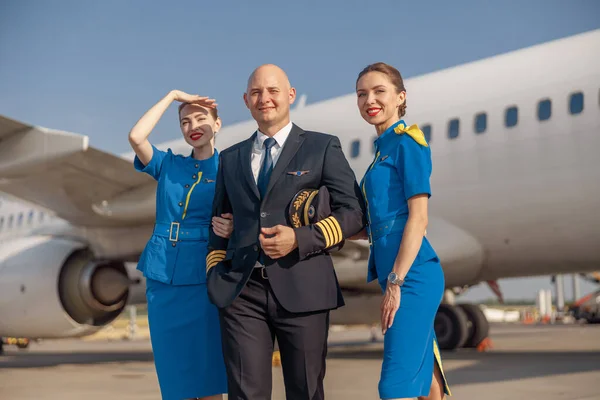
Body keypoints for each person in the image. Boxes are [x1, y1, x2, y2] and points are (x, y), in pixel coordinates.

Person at [205, 64, 365, 400]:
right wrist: (216, 275)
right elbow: (218, 223)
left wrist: (300, 239)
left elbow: (354, 213)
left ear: (290, 95)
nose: (265, 99)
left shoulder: (322, 147)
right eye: (256, 93)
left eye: (273, 90)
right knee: (246, 394)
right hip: (242, 293)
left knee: (305, 391)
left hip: (303, 286)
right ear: (246, 101)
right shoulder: (230, 159)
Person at [353, 62, 451, 400]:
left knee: (395, 386)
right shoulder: (380, 154)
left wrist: (395, 282)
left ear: (400, 97)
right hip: (399, 274)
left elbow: (418, 218)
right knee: (426, 383)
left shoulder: (408, 143)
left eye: (379, 91)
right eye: (362, 94)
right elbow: (372, 227)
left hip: (411, 275)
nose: (370, 100)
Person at [128, 90, 233, 400]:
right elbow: (136, 136)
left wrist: (233, 226)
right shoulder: (168, 164)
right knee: (174, 377)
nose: (193, 126)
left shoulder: (230, 169)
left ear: (218, 124)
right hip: (163, 276)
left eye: (201, 118)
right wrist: (172, 96)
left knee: (209, 374)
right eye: (185, 121)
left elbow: (249, 216)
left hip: (206, 274)